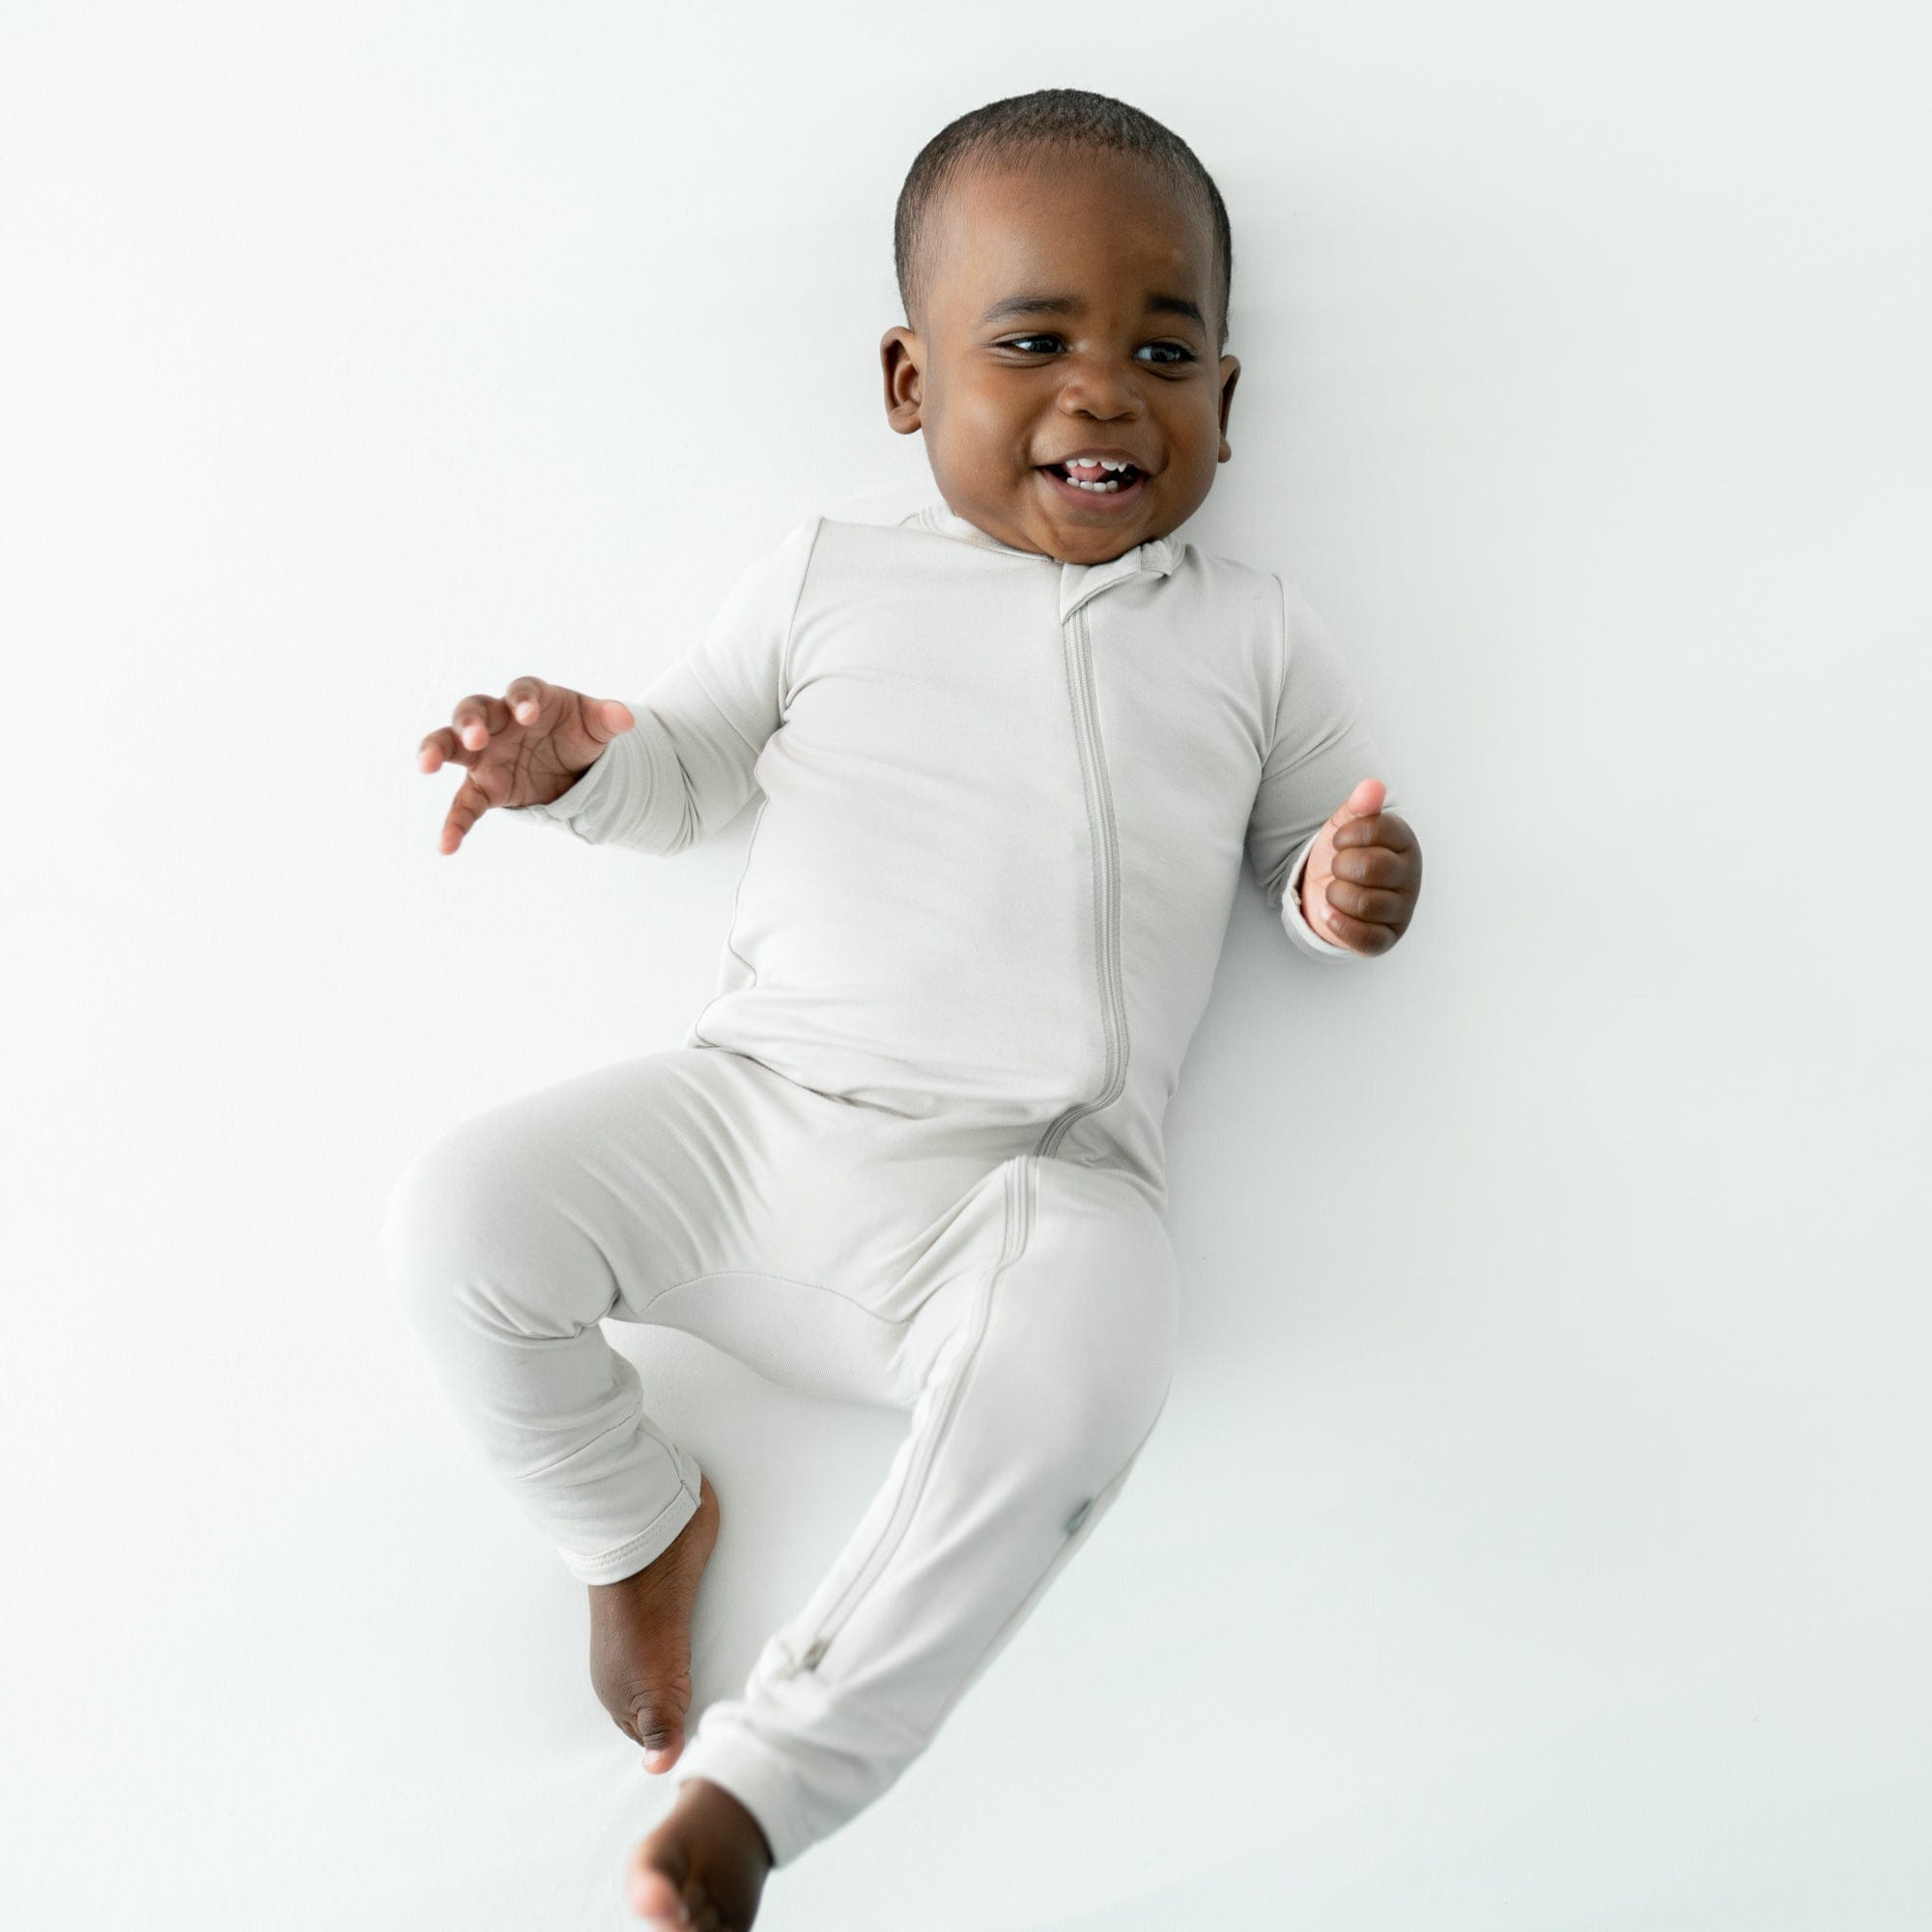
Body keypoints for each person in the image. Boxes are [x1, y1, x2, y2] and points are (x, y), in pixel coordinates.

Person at [384, 86, 1423, 1932]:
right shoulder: (826, 578)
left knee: (1101, 1360)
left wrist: (1346, 898)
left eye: (1161, 351)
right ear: (905, 383)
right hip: (757, 1120)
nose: (1102, 392)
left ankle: (758, 1796)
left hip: (1031, 1190)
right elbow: (685, 774)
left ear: (1229, 405)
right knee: (465, 1213)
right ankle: (631, 1519)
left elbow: (1306, 852)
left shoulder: (1256, 632)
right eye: (1032, 344)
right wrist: (565, 771)